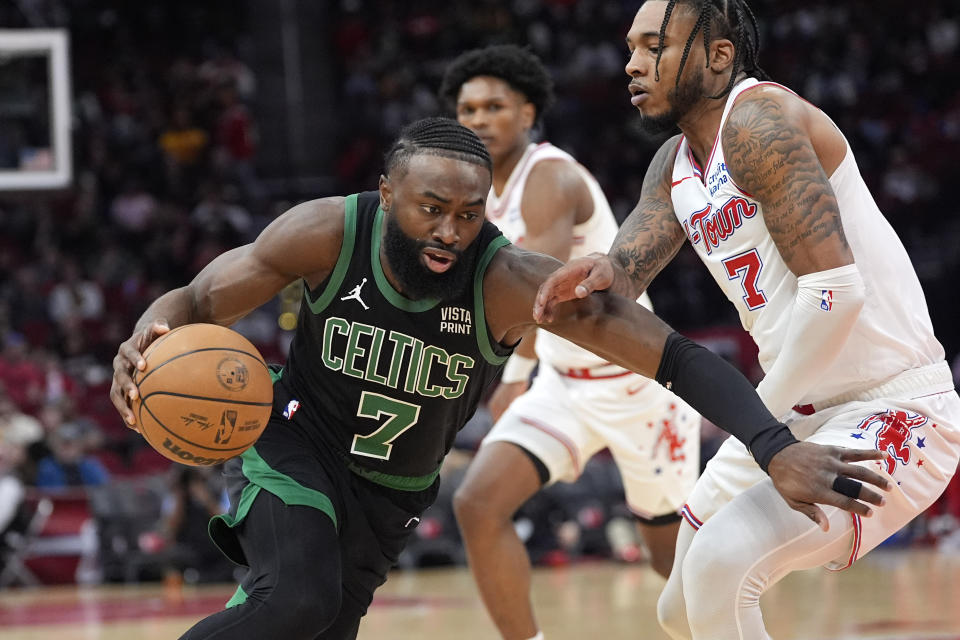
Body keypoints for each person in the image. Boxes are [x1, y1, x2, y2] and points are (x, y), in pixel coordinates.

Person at [110, 117, 887, 640]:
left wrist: (775, 445)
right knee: (297, 601)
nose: (450, 231)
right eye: (430, 209)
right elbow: (199, 299)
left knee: (311, 624)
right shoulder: (326, 232)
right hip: (297, 449)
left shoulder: (509, 279)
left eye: (469, 212)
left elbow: (674, 354)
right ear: (387, 195)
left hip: (392, 495)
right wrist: (150, 335)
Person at [533, 2, 960, 638]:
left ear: (718, 56)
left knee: (721, 568)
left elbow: (836, 293)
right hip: (790, 415)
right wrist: (596, 272)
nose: (631, 64)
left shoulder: (761, 120)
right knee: (676, 610)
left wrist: (758, 432)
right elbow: (624, 271)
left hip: (897, 409)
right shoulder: (673, 166)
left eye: (655, 47)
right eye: (630, 47)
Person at [440, 44, 700, 640]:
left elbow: (541, 294)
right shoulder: (477, 194)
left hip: (638, 384)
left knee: (671, 559)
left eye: (494, 106)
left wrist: (507, 380)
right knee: (478, 505)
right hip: (564, 385)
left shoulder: (550, 177)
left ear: (528, 113)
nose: (478, 118)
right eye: (468, 108)